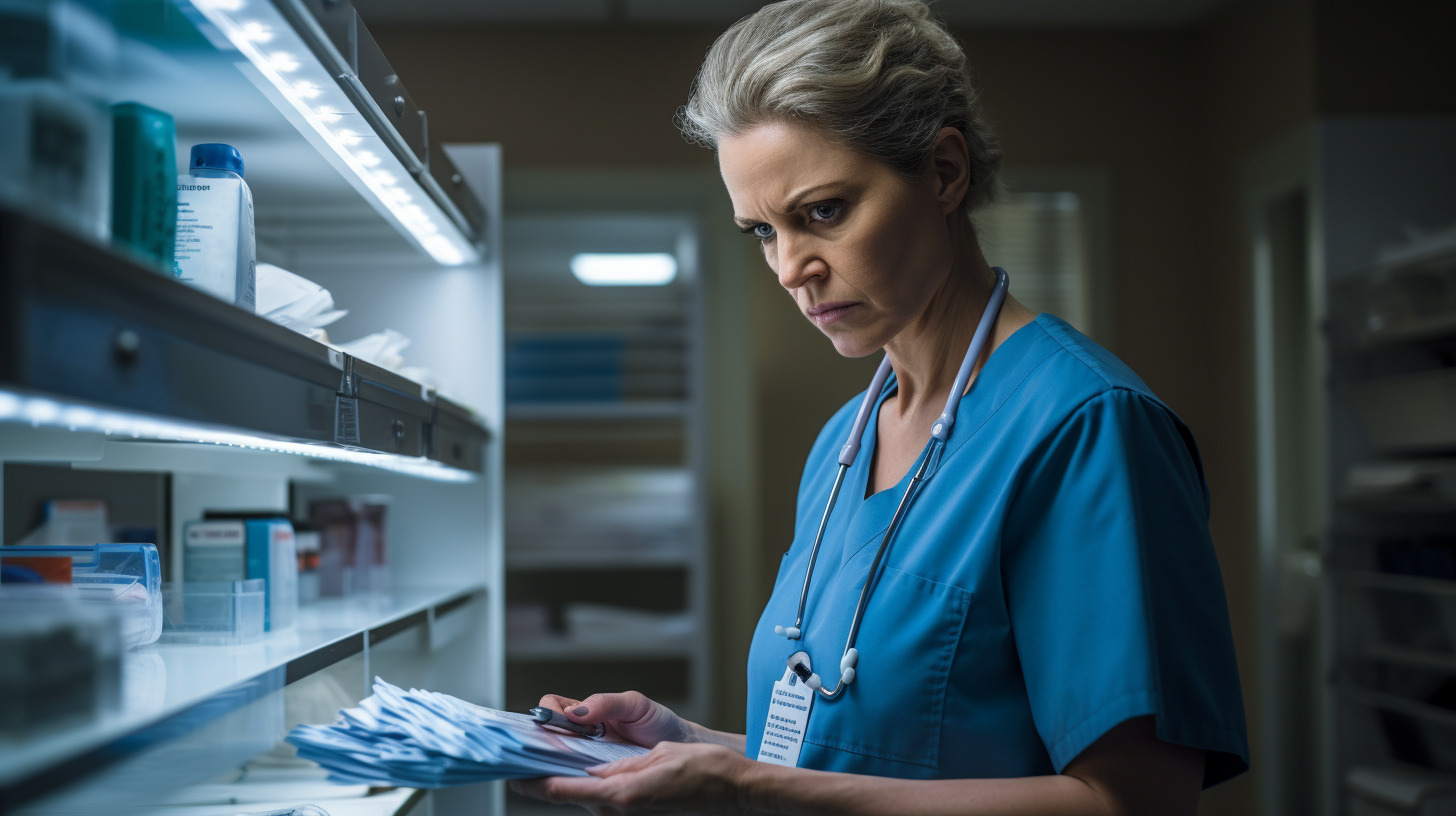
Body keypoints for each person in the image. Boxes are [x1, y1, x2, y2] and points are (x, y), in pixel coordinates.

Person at [513, 1, 1249, 813]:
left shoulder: (1085, 428)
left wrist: (742, 780)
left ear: (943, 172)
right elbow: (865, 741)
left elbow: (1132, 800)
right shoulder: (846, 441)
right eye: (761, 232)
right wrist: (689, 744)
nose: (793, 267)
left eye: (822, 212)